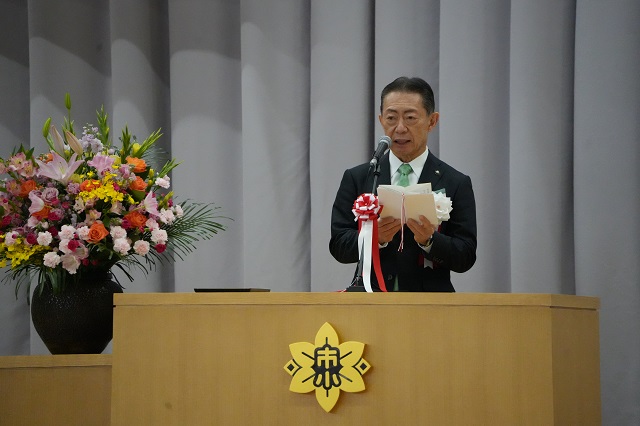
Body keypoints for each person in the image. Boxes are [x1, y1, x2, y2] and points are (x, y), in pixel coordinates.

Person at [330, 76, 477, 292]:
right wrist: (374, 238)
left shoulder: (455, 182)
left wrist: (430, 240)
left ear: (432, 121)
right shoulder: (360, 177)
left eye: (410, 118)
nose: (400, 128)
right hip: (371, 303)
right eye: (391, 118)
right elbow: (339, 247)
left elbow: (465, 256)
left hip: (429, 306)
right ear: (381, 120)